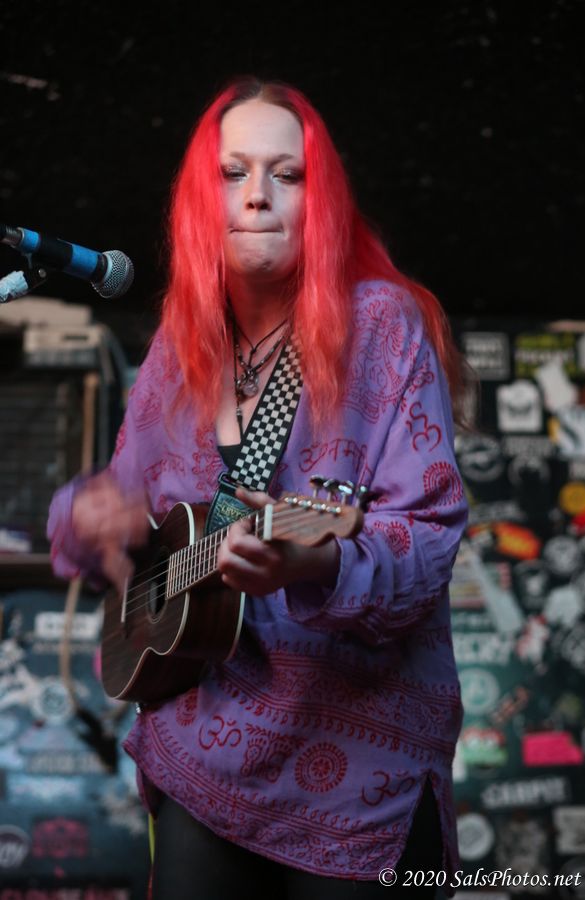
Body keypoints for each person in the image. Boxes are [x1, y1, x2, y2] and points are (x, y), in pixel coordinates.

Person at [48, 77, 470, 898]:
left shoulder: (381, 325)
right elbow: (114, 504)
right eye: (232, 172)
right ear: (199, 200)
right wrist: (88, 515)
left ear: (322, 200)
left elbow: (426, 535)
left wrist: (319, 562)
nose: (257, 196)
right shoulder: (178, 346)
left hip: (358, 773)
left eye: (288, 173)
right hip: (198, 752)